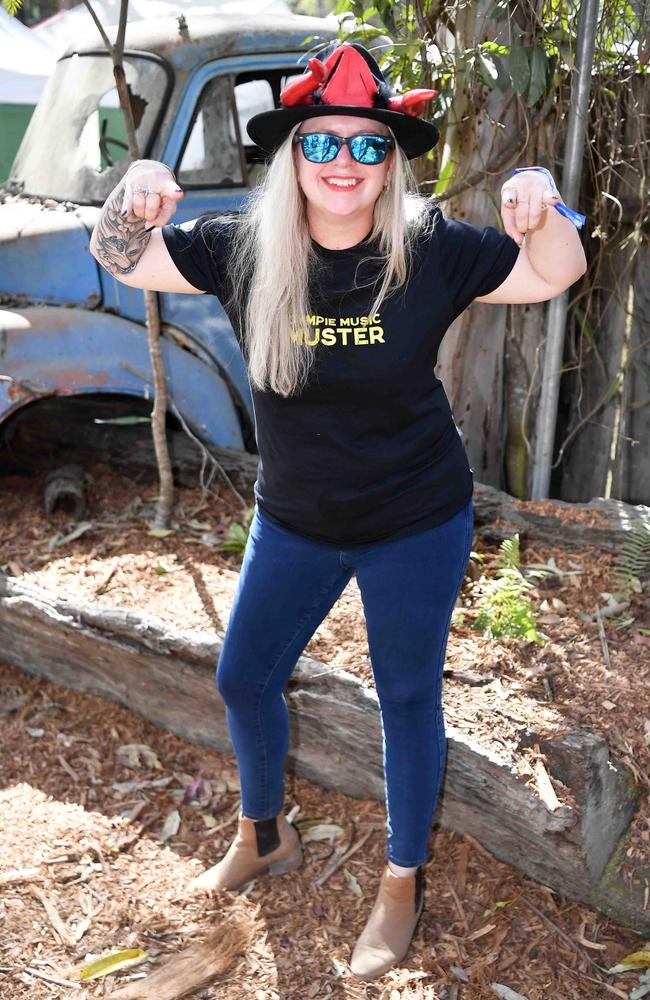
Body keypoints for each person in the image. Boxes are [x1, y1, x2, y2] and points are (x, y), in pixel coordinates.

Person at [90, 41, 587, 982]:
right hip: (297, 519)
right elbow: (123, 260)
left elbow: (550, 272)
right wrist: (137, 187)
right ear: (292, 155)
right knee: (243, 677)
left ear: (391, 161)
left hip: (415, 516)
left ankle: (400, 883)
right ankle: (264, 832)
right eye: (323, 143)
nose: (344, 165)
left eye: (368, 148)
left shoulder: (431, 248)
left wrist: (541, 197)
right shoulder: (243, 246)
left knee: (405, 696)